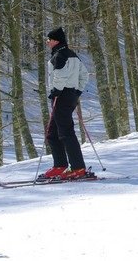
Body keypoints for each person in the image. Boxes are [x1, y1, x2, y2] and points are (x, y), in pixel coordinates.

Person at [40, 27, 90, 180]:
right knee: (53, 133)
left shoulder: (60, 55)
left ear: (56, 40)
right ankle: (60, 165)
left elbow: (60, 76)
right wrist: (78, 91)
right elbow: (84, 75)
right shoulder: (72, 55)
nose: (47, 42)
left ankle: (78, 167)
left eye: (49, 39)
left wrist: (56, 90)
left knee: (65, 132)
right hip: (69, 95)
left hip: (61, 96)